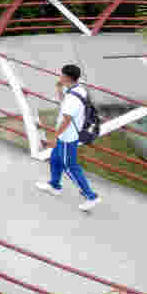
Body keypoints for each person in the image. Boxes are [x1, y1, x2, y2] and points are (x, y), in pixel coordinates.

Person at [35, 64, 99, 212]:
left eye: (61, 75)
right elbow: (65, 104)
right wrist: (59, 90)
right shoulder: (78, 90)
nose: (60, 77)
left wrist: (54, 137)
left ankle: (91, 196)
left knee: (70, 167)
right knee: (55, 159)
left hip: (67, 137)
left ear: (67, 77)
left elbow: (66, 120)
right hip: (69, 134)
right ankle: (54, 185)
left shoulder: (73, 98)